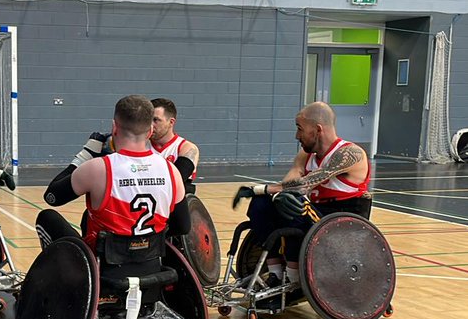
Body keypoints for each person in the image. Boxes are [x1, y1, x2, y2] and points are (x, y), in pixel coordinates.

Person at [232, 102, 371, 288]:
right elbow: (290, 181)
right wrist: (268, 195)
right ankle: (275, 273)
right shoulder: (305, 155)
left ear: (318, 129)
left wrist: (261, 188)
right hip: (314, 212)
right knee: (263, 204)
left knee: (296, 204)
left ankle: (294, 278)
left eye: (300, 129)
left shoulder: (350, 153)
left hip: (339, 222)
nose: (296, 136)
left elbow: (305, 184)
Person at [40, 94, 190, 256]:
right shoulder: (171, 170)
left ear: (114, 128)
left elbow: (51, 197)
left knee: (46, 218)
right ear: (150, 131)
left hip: (105, 268)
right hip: (151, 264)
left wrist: (86, 154)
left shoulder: (98, 168)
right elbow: (183, 226)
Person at [150, 98, 199, 189]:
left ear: (171, 122)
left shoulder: (186, 148)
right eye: (147, 120)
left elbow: (176, 181)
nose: (150, 125)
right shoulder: (141, 144)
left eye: (155, 120)